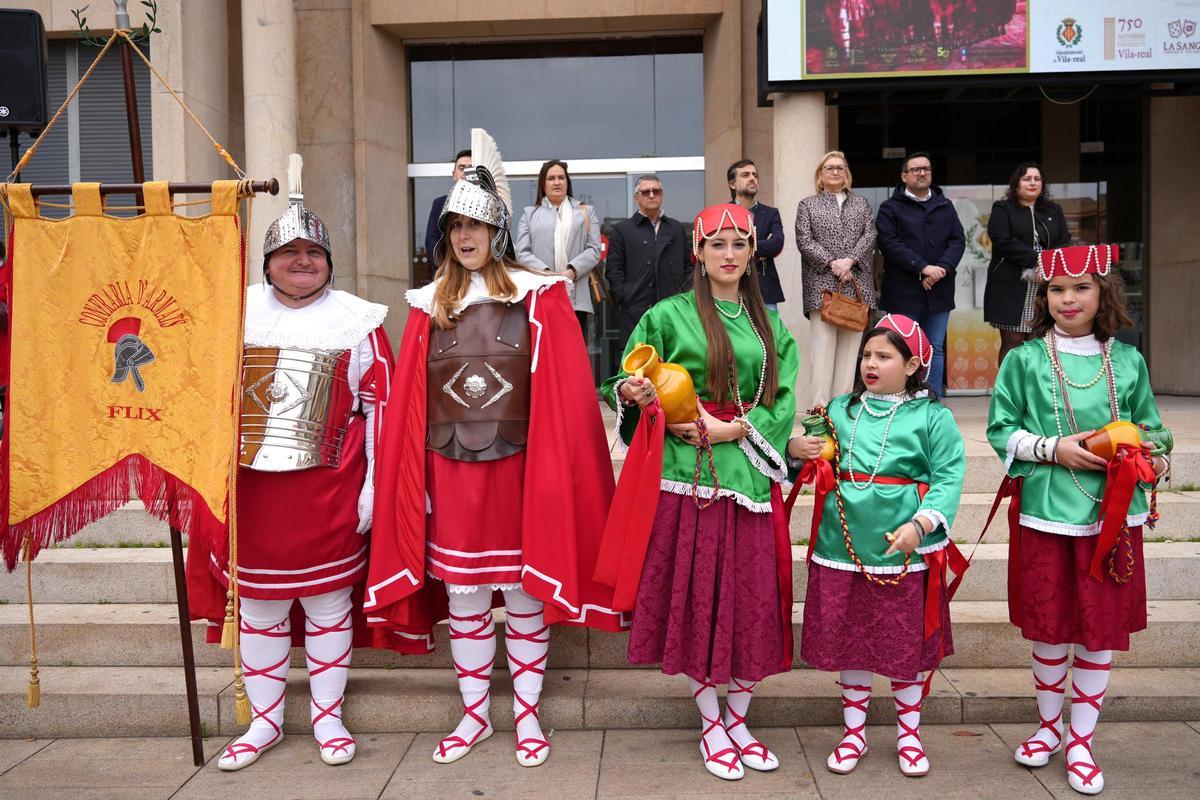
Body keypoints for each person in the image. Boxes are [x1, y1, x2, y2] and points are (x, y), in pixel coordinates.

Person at [364, 130, 624, 768]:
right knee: (466, 597)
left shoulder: (537, 294)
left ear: (498, 231)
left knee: (526, 593)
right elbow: (412, 405)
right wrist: (408, 481)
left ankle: (529, 715)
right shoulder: (429, 305)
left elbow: (563, 396)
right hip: (450, 471)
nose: (464, 237)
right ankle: (475, 714)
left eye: (475, 225)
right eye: (455, 227)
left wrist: (554, 472)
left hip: (518, 470)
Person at [185, 155, 398, 771]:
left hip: (330, 490)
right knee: (260, 608)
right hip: (251, 496)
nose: (302, 262)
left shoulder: (358, 323)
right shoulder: (233, 312)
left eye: (314, 253)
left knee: (330, 605)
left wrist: (374, 491)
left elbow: (379, 409)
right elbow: (202, 398)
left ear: (329, 262)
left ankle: (329, 720)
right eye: (290, 252)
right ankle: (265, 723)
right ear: (268, 261)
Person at [601, 203, 798, 781]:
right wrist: (638, 392)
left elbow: (781, 398)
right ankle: (712, 722)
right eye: (718, 246)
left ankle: (740, 718)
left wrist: (736, 428)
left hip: (749, 473)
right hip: (686, 473)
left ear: (752, 253)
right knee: (698, 600)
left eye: (739, 245)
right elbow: (623, 376)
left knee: (750, 598)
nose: (729, 255)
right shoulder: (668, 315)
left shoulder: (771, 325)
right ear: (699, 253)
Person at [987, 245, 1171, 796]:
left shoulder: (1128, 361)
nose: (1068, 299)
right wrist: (1051, 448)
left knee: (1097, 633)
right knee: (1050, 628)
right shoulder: (1023, 360)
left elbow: (1155, 431)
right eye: (1056, 290)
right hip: (1047, 512)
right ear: (1042, 297)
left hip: (1114, 521)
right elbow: (1001, 429)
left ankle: (1082, 741)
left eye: (1081, 288)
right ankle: (1047, 728)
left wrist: (1151, 457)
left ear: (1103, 293)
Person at [789, 314, 965, 778]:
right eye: (867, 354)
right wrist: (801, 449)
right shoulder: (840, 410)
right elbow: (809, 450)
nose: (871, 363)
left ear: (911, 366)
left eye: (884, 356)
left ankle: (909, 733)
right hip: (842, 542)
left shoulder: (932, 416)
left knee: (904, 642)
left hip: (902, 546)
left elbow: (948, 477)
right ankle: (853, 732)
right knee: (851, 640)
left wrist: (922, 524)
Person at [876, 151, 966, 397]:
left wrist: (941, 270)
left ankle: (932, 399)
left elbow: (958, 240)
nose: (922, 173)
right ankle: (903, 396)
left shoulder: (944, 206)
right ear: (904, 176)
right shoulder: (890, 208)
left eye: (926, 168)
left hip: (940, 288)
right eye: (916, 169)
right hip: (903, 290)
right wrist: (922, 267)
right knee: (903, 346)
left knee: (935, 347)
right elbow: (889, 243)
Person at [795, 150, 878, 408]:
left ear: (847, 175)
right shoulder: (807, 205)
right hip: (822, 287)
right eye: (829, 168)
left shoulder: (861, 204)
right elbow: (804, 240)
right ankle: (821, 411)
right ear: (820, 175)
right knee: (823, 350)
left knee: (850, 352)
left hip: (856, 285)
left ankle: (842, 407)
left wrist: (850, 260)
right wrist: (833, 263)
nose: (835, 171)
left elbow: (870, 234)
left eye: (840, 168)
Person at [984, 161, 1069, 367]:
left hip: (1045, 282)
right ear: (1016, 184)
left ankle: (1034, 394)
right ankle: (1009, 394)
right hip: (1011, 284)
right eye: (1027, 179)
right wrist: (1039, 259)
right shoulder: (1003, 208)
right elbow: (1002, 241)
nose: (1032, 183)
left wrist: (1048, 264)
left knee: (1038, 343)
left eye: (1037, 179)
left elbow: (1063, 241)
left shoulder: (1053, 210)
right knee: (1013, 343)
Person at [515, 159, 602, 337]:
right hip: (542, 294)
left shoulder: (585, 212)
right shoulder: (529, 214)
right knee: (544, 355)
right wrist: (548, 274)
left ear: (567, 182)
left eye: (561, 177)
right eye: (551, 178)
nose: (557, 182)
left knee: (573, 355)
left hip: (575, 298)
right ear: (543, 184)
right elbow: (522, 253)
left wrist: (571, 271)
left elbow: (594, 250)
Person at [605, 174, 691, 349]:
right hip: (636, 311)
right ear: (636, 197)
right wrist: (627, 295)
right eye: (646, 192)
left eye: (656, 191)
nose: (652, 195)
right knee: (637, 370)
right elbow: (613, 270)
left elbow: (688, 267)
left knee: (673, 365)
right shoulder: (623, 230)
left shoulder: (676, 228)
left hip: (673, 310)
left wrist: (681, 296)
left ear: (662, 194)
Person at [728, 160, 786, 310]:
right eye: (745, 175)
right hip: (732, 287)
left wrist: (741, 244)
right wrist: (761, 245)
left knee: (769, 332)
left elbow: (777, 243)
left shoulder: (771, 213)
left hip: (765, 287)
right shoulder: (724, 213)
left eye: (755, 175)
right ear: (733, 184)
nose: (752, 178)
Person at [424, 149, 472, 261]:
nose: (466, 172)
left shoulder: (486, 203)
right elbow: (431, 242)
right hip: (446, 272)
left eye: (470, 168)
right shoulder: (439, 204)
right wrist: (446, 268)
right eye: (462, 168)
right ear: (454, 175)